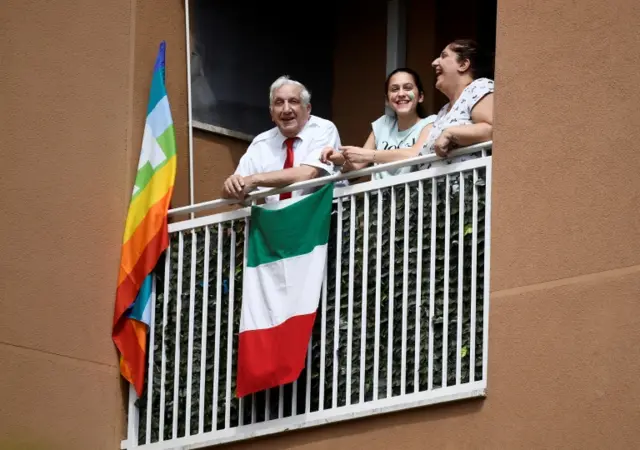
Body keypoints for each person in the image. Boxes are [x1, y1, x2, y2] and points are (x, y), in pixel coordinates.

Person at [222, 75, 341, 203]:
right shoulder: (260, 143)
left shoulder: (323, 128)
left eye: (293, 101)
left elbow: (307, 174)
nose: (286, 109)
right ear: (272, 113)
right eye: (279, 103)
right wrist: (231, 185)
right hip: (279, 218)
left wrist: (255, 179)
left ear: (307, 109)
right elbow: (229, 194)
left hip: (323, 213)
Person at [320, 68, 437, 179]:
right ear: (387, 100)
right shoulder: (383, 124)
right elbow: (359, 163)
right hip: (379, 198)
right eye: (394, 89)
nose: (401, 94)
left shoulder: (431, 122)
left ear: (420, 96)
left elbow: (414, 154)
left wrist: (369, 155)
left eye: (407, 88)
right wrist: (339, 157)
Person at [424, 39, 494, 168]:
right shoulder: (444, 110)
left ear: (463, 64)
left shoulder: (479, 87)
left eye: (444, 56)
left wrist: (450, 133)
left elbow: (493, 130)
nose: (434, 63)